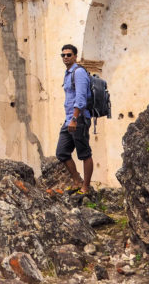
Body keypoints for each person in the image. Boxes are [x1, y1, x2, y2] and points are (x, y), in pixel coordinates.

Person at [55, 44, 94, 194]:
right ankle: (77, 181)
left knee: (84, 153)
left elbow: (81, 98)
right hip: (69, 120)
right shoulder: (68, 73)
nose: (65, 57)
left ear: (75, 56)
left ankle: (86, 187)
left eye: (69, 55)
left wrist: (75, 119)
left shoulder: (78, 73)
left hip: (79, 119)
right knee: (62, 152)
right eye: (63, 55)